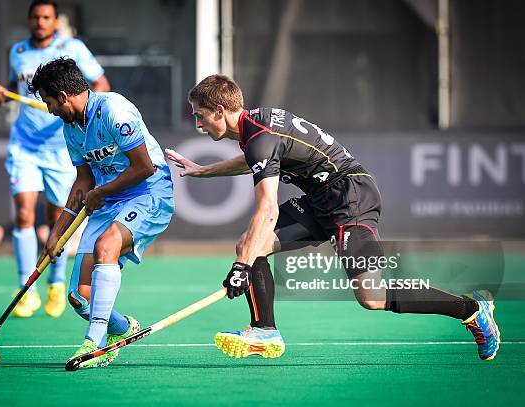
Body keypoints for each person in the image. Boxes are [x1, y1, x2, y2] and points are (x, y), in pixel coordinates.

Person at [165, 74, 501, 361]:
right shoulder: (256, 127)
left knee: (372, 297)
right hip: (319, 199)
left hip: (350, 198)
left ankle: (470, 309)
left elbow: (267, 208)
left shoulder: (259, 138)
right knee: (250, 245)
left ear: (220, 110)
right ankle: (264, 332)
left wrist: (241, 268)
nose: (198, 125)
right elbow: (258, 159)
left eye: (200, 116)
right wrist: (204, 171)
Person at [29, 57, 174, 368]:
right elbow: (83, 181)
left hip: (149, 192)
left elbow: (144, 167)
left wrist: (102, 191)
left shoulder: (113, 110)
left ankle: (93, 346)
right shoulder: (70, 129)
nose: (50, 109)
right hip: (109, 199)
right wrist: (56, 235)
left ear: (64, 96)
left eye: (49, 102)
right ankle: (122, 329)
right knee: (80, 298)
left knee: (105, 246)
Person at [0, 0, 110, 319]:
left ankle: (56, 284)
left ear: (56, 21)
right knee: (23, 215)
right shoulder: (17, 52)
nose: (40, 22)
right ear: (29, 21)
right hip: (25, 145)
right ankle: (25, 288)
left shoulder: (72, 47)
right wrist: (1, 95)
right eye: (35, 17)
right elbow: (16, 88)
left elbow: (100, 84)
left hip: (60, 146)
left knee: (58, 216)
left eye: (47, 17)